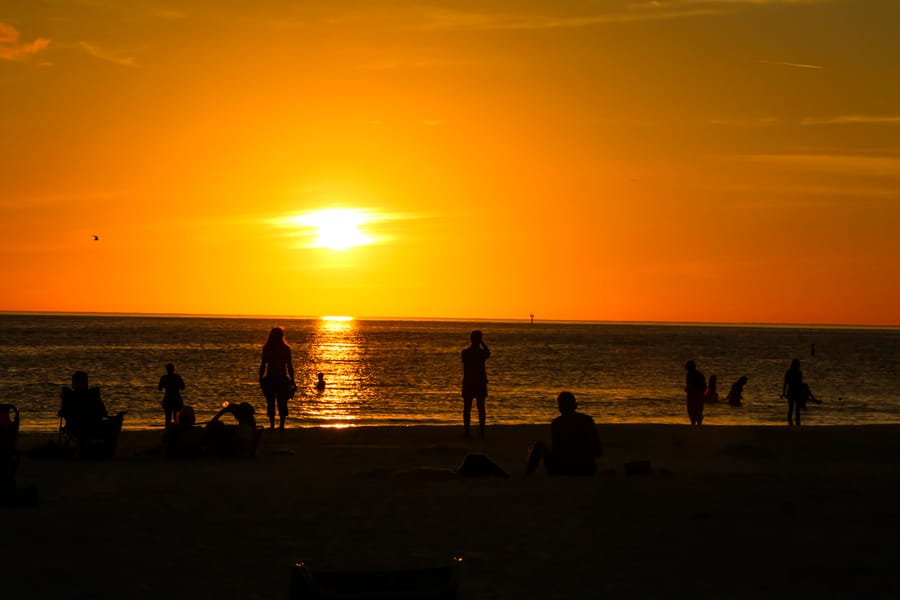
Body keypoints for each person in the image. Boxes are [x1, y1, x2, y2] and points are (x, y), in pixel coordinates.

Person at [526, 391, 602, 476]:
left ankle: (527, 473)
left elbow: (556, 450)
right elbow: (598, 451)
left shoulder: (557, 423)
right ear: (575, 405)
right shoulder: (588, 420)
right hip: (588, 469)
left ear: (560, 407)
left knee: (539, 445)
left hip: (563, 470)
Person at [259, 327, 296, 430]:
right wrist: (293, 380)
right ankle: (281, 425)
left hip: (271, 378)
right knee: (282, 403)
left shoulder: (267, 348)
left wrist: (260, 378)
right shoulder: (285, 349)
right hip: (281, 379)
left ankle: (272, 425)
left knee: (271, 403)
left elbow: (263, 365)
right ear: (281, 336)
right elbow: (289, 366)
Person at [59, 371, 108, 439]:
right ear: (86, 383)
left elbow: (63, 413)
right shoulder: (93, 395)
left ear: (73, 384)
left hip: (74, 429)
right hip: (93, 429)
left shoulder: (69, 396)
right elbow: (104, 413)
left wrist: (62, 412)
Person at [461, 330, 491, 438]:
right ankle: (482, 432)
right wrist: (482, 342)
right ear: (479, 340)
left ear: (471, 339)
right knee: (481, 408)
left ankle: (467, 432)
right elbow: (488, 352)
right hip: (480, 383)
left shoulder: (465, 352)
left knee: (467, 408)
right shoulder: (481, 353)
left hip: (469, 382)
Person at [158, 362, 185, 427]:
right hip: (176, 398)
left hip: (168, 398)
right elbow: (183, 387)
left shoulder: (164, 378)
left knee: (168, 418)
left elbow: (159, 388)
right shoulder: (177, 377)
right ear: (174, 369)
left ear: (167, 369)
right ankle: (177, 432)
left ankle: (167, 431)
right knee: (176, 418)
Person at [781, 358, 805, 426]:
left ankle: (791, 422)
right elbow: (799, 383)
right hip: (795, 392)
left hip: (792, 392)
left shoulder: (790, 372)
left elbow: (786, 383)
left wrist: (783, 392)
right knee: (795, 409)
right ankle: (795, 423)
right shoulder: (798, 372)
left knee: (792, 409)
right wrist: (783, 392)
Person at [684, 360, 706, 426]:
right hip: (699, 395)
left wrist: (687, 389)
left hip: (693, 395)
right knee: (698, 410)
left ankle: (693, 424)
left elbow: (689, 385)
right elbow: (704, 387)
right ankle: (699, 424)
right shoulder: (700, 375)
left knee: (692, 410)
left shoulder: (689, 375)